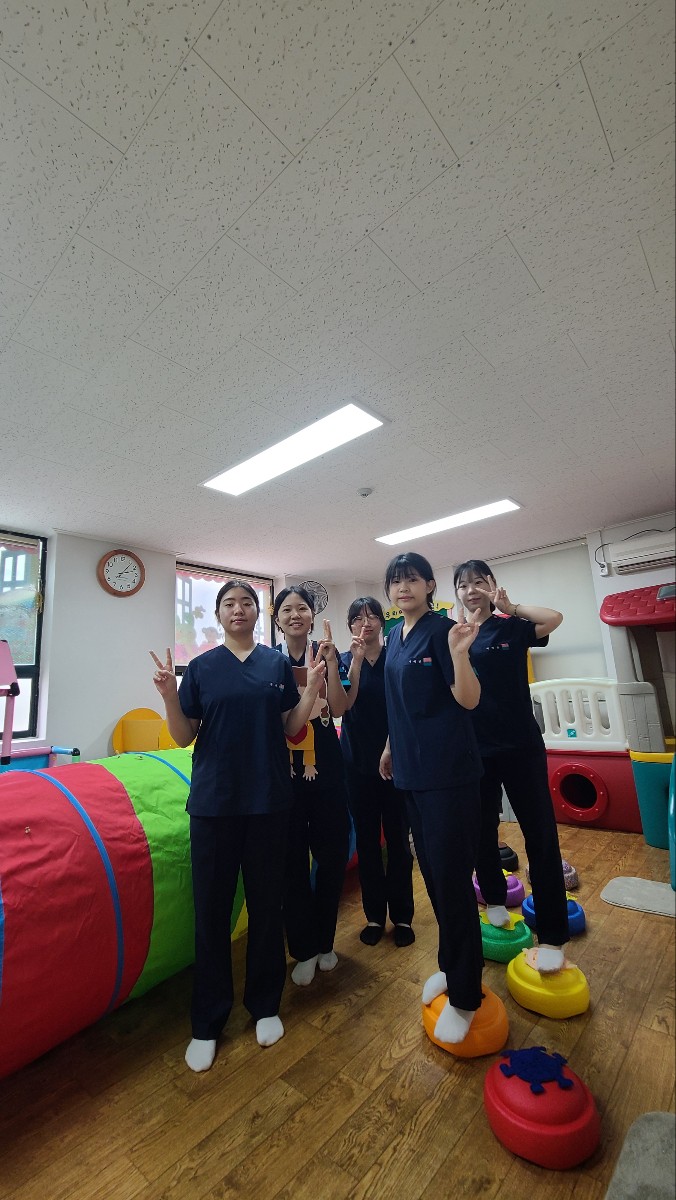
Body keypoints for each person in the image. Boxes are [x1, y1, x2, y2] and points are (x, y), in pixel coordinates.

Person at [151, 580, 327, 1072]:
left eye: (247, 602)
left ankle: (265, 1005)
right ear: (218, 614)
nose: (238, 609)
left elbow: (292, 727)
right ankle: (207, 1021)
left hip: (268, 802)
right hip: (213, 805)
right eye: (229, 603)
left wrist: (313, 687)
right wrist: (168, 696)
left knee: (267, 907)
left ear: (257, 612)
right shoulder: (202, 668)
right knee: (211, 912)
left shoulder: (274, 664)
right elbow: (183, 736)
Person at [380, 552, 484, 1045]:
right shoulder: (395, 636)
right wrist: (389, 747)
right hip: (411, 773)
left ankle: (465, 996)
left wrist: (461, 656)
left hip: (448, 775)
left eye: (412, 580)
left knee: (451, 879)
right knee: (434, 877)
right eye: (395, 581)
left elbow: (468, 699)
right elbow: (398, 704)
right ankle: (451, 965)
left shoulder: (444, 631)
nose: (403, 587)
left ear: (428, 586)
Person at [453, 559, 568, 973]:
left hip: (521, 746)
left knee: (540, 833)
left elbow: (554, 618)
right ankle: (495, 900)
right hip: (476, 750)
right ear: (456, 592)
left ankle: (553, 933)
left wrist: (511, 607)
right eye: (463, 585)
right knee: (482, 831)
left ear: (492, 585)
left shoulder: (511, 627)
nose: (471, 590)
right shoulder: (455, 636)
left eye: (478, 582)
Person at [273, 586, 351, 988]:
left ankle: (324, 942)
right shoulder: (269, 662)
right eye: (287, 609)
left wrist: (332, 666)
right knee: (291, 865)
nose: (295, 615)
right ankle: (303, 949)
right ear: (277, 619)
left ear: (312, 615)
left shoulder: (327, 652)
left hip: (327, 771)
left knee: (332, 857)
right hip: (285, 774)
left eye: (302, 608)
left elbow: (338, 708)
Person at [340, 596, 414, 948]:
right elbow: (343, 705)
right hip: (356, 764)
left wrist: (392, 747)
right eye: (358, 617)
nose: (365, 622)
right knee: (367, 841)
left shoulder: (394, 657)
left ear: (383, 623)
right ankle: (373, 916)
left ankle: (402, 917)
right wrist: (355, 661)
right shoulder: (343, 660)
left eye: (372, 616)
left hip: (396, 761)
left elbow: (405, 706)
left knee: (398, 840)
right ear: (350, 625)